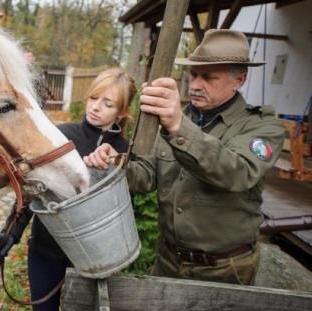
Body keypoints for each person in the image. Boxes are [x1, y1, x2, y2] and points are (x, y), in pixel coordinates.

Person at [84, 29, 285, 285]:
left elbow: (237, 172)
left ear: (239, 80)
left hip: (224, 270)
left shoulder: (262, 126)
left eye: (209, 77)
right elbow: (147, 176)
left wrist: (178, 126)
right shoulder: (181, 118)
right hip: (168, 260)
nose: (196, 84)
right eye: (194, 74)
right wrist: (116, 163)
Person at [0, 67, 137, 310]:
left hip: (94, 260)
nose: (96, 107)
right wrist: (10, 233)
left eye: (107, 103)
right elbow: (32, 190)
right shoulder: (60, 137)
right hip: (46, 251)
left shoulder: (123, 151)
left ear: (121, 112)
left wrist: (116, 163)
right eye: (93, 98)